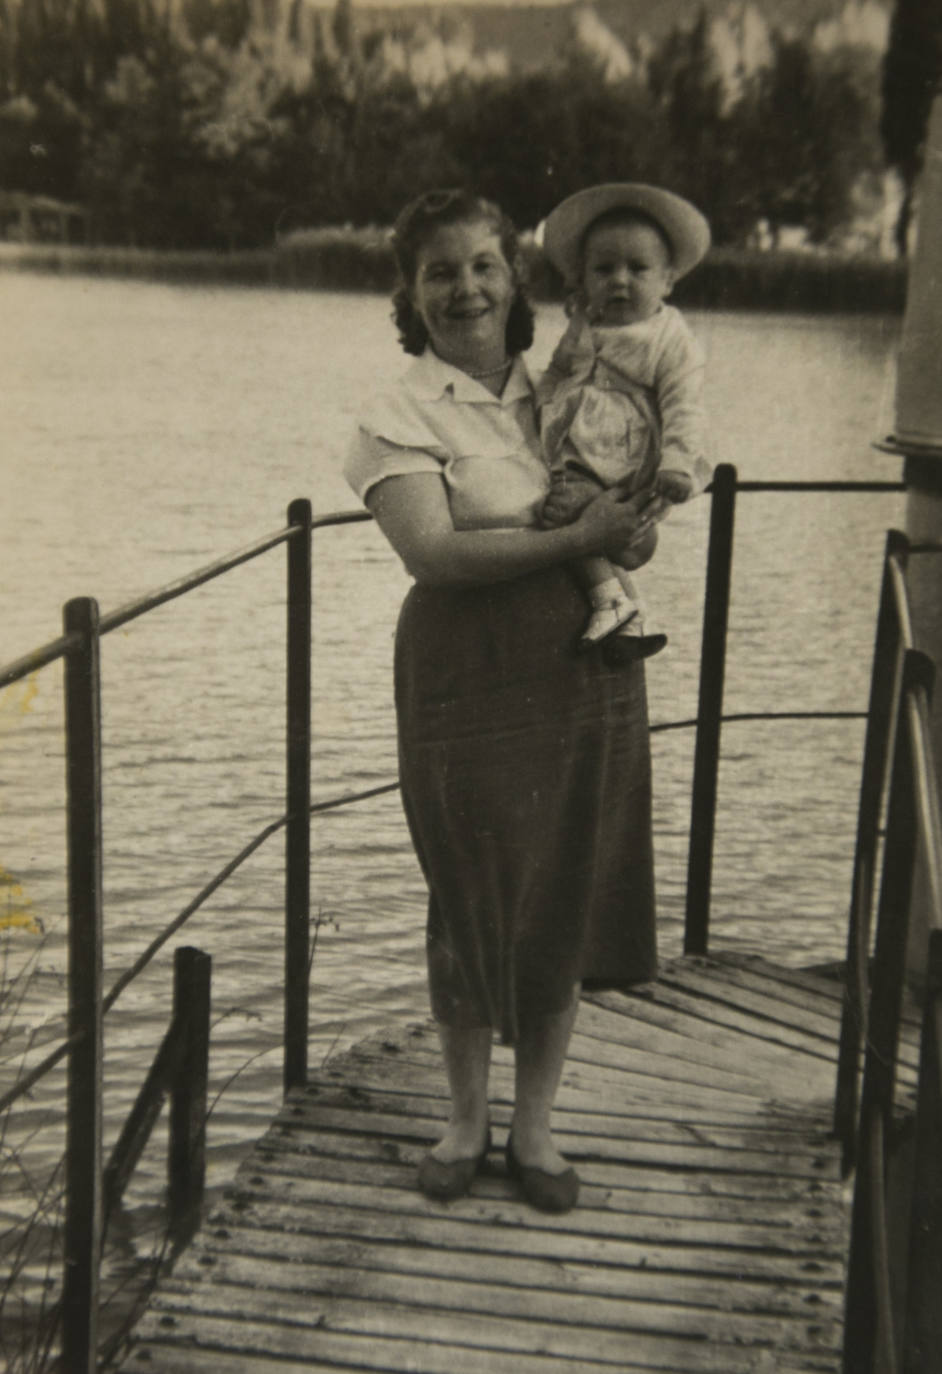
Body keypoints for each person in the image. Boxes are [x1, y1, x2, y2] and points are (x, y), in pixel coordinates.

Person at [344, 188, 659, 1215]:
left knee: (562, 882)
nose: (465, 288)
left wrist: (631, 527)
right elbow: (434, 553)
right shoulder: (396, 413)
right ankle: (465, 1120)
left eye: (482, 265)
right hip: (463, 671)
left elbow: (630, 512)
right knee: (468, 889)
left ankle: (534, 1132)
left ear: (514, 279)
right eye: (439, 271)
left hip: (581, 662)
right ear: (411, 292)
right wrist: (579, 537)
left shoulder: (573, 381)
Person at [537, 182, 713, 660]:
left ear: (668, 280)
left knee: (566, 510)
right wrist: (537, 406)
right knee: (556, 508)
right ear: (583, 279)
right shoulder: (586, 323)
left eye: (638, 269)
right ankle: (630, 611)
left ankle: (609, 599)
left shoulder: (669, 338)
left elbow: (684, 404)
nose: (620, 281)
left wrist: (676, 463)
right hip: (581, 446)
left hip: (627, 457)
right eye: (604, 269)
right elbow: (558, 371)